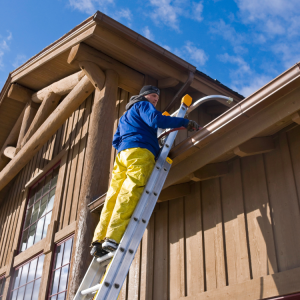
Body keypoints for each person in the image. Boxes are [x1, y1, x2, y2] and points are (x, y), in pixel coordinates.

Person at [91, 85, 199, 257]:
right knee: (130, 191)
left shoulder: (125, 116)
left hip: (122, 156)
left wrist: (134, 141)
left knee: (114, 195)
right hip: (140, 152)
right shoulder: (143, 105)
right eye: (153, 96)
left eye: (157, 97)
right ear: (144, 96)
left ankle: (98, 239)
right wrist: (184, 122)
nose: (156, 99)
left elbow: (115, 140)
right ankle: (112, 237)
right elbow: (156, 120)